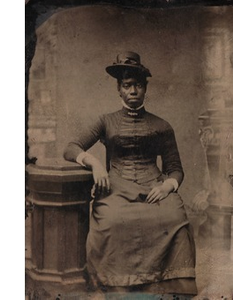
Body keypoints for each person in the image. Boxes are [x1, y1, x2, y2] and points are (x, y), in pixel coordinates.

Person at [63, 51, 197, 297]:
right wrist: (94, 162)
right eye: (127, 85)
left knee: (174, 218)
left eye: (138, 85)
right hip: (116, 187)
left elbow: (175, 168)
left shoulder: (161, 125)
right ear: (119, 89)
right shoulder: (106, 121)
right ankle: (115, 284)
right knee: (111, 221)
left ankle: (168, 285)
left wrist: (167, 187)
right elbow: (71, 148)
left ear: (145, 89)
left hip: (153, 185)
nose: (133, 91)